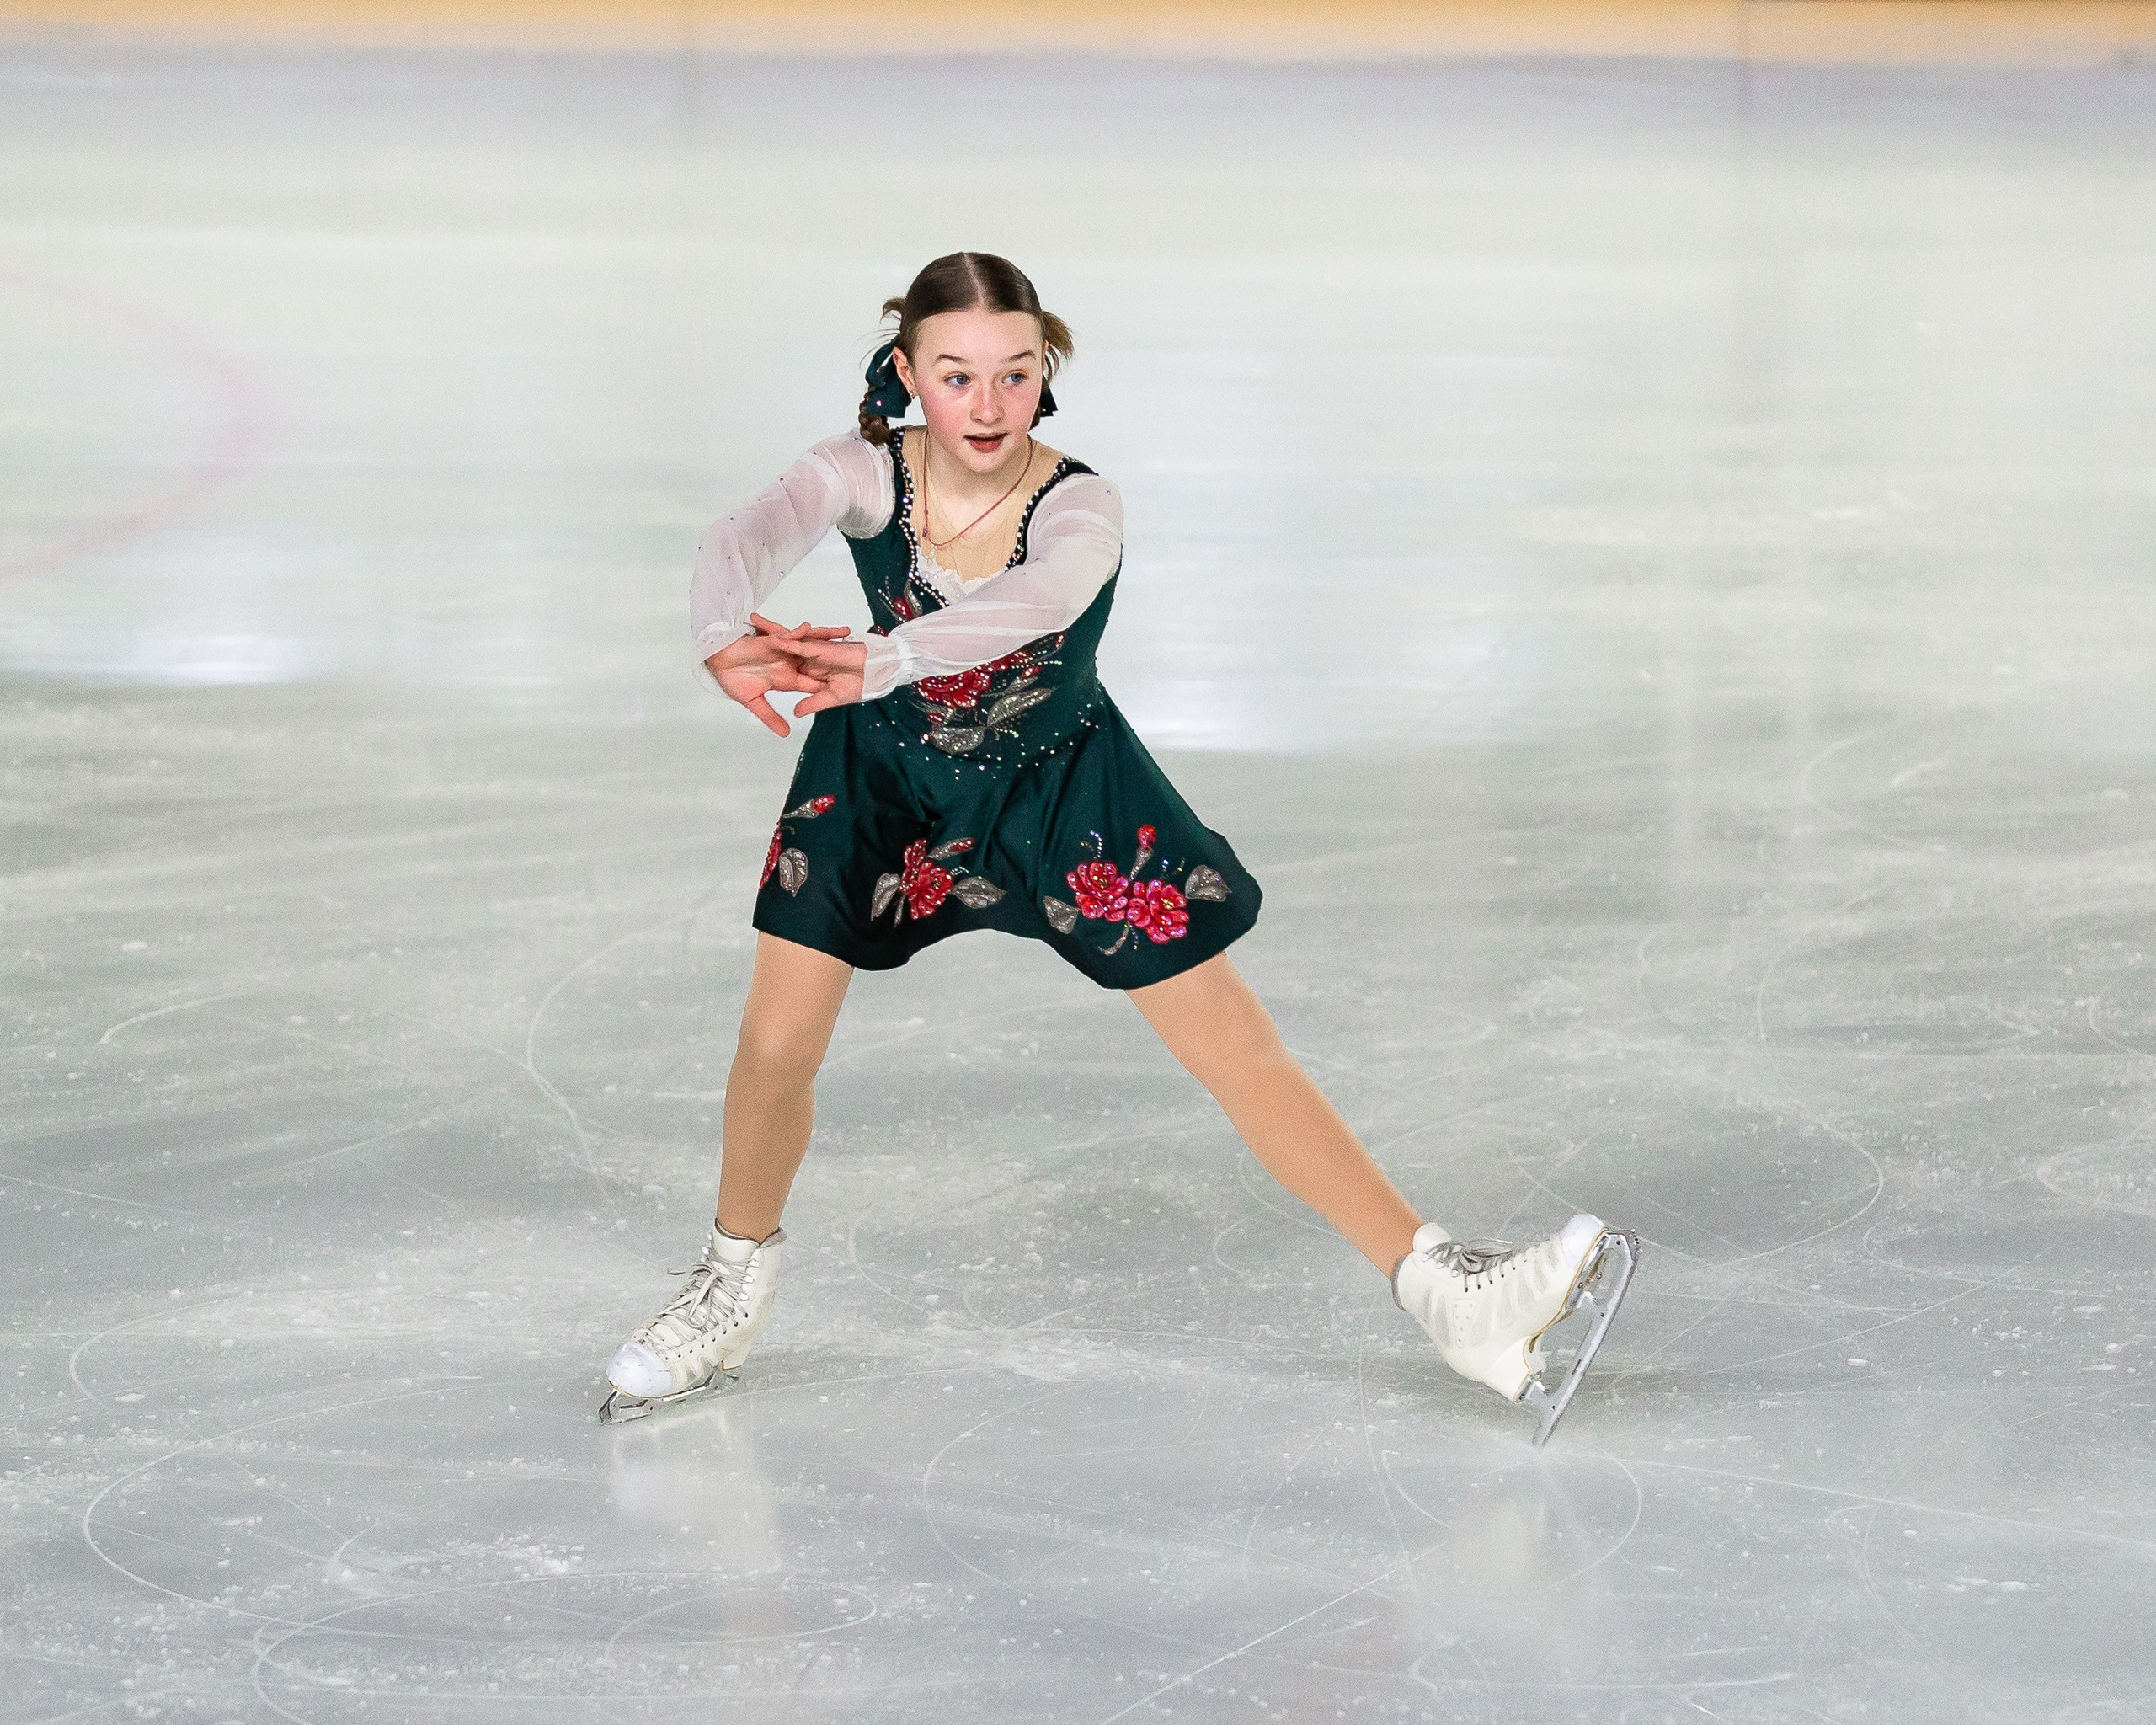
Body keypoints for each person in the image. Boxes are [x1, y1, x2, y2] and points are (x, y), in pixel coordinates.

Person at [599, 252, 1637, 1444]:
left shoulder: (1081, 503)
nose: (987, 407)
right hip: (880, 781)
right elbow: (743, 534)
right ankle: (731, 1286)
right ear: (907, 374)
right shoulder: (860, 474)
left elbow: (1037, 605)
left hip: (1063, 790)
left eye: (1014, 374)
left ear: (1046, 373)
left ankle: (1444, 1292)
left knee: (1239, 1051)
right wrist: (722, 635)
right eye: (955, 376)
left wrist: (884, 656)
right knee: (775, 1048)